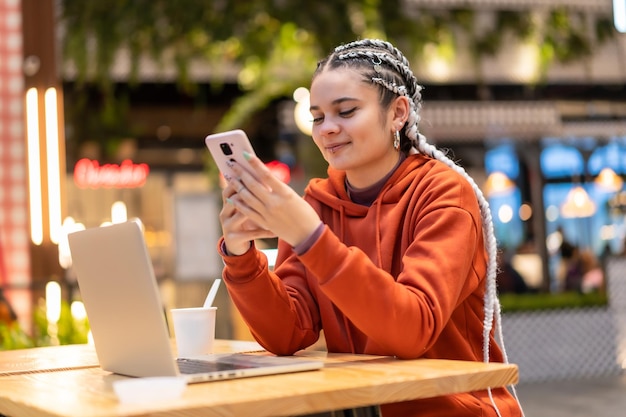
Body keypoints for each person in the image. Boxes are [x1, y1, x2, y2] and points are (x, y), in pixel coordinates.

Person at [216, 39, 523, 416]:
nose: (327, 129)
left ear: (397, 113)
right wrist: (239, 254)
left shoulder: (444, 193)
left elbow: (413, 329)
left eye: (345, 111)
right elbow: (288, 333)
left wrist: (311, 238)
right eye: (317, 117)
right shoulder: (319, 202)